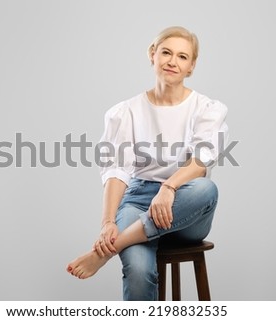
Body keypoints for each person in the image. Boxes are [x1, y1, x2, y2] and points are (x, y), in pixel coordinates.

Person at [66, 26, 228, 300]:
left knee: (205, 189)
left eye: (182, 56)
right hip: (138, 199)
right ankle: (120, 238)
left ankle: (111, 248)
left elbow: (201, 161)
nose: (172, 61)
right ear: (152, 55)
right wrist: (107, 222)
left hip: (184, 206)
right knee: (139, 271)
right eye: (166, 52)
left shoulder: (206, 109)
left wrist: (169, 188)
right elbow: (117, 171)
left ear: (191, 66)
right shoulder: (126, 112)